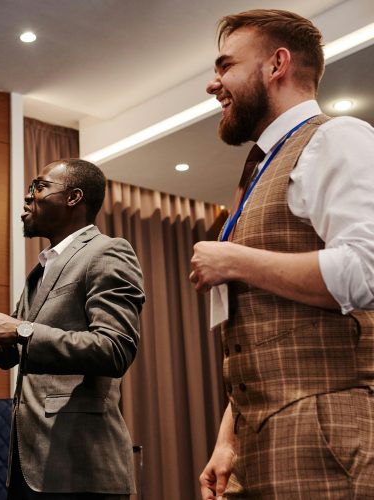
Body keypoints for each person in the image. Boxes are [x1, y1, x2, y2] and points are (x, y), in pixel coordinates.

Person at [190, 9, 374, 499]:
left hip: (332, 435)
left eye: (226, 66)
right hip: (265, 440)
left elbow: (366, 270)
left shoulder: (337, 138)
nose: (214, 85)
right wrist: (229, 436)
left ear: (277, 64)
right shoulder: (260, 171)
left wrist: (234, 261)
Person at [0, 159, 144, 499]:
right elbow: (9, 351)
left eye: (38, 188)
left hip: (81, 470)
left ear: (73, 198)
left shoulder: (108, 252)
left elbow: (115, 349)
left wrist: (22, 330)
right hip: (30, 465)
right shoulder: (42, 270)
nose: (28, 198)